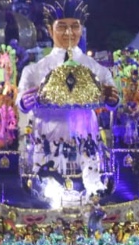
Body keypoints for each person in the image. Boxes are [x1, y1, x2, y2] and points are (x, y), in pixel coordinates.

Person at [16, 0, 119, 142]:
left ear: (81, 30)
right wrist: (23, 102)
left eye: (75, 26)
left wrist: (112, 100)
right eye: (62, 27)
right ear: (50, 30)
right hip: (47, 138)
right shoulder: (33, 70)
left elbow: (113, 101)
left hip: (85, 136)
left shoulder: (96, 69)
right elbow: (20, 102)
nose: (69, 32)